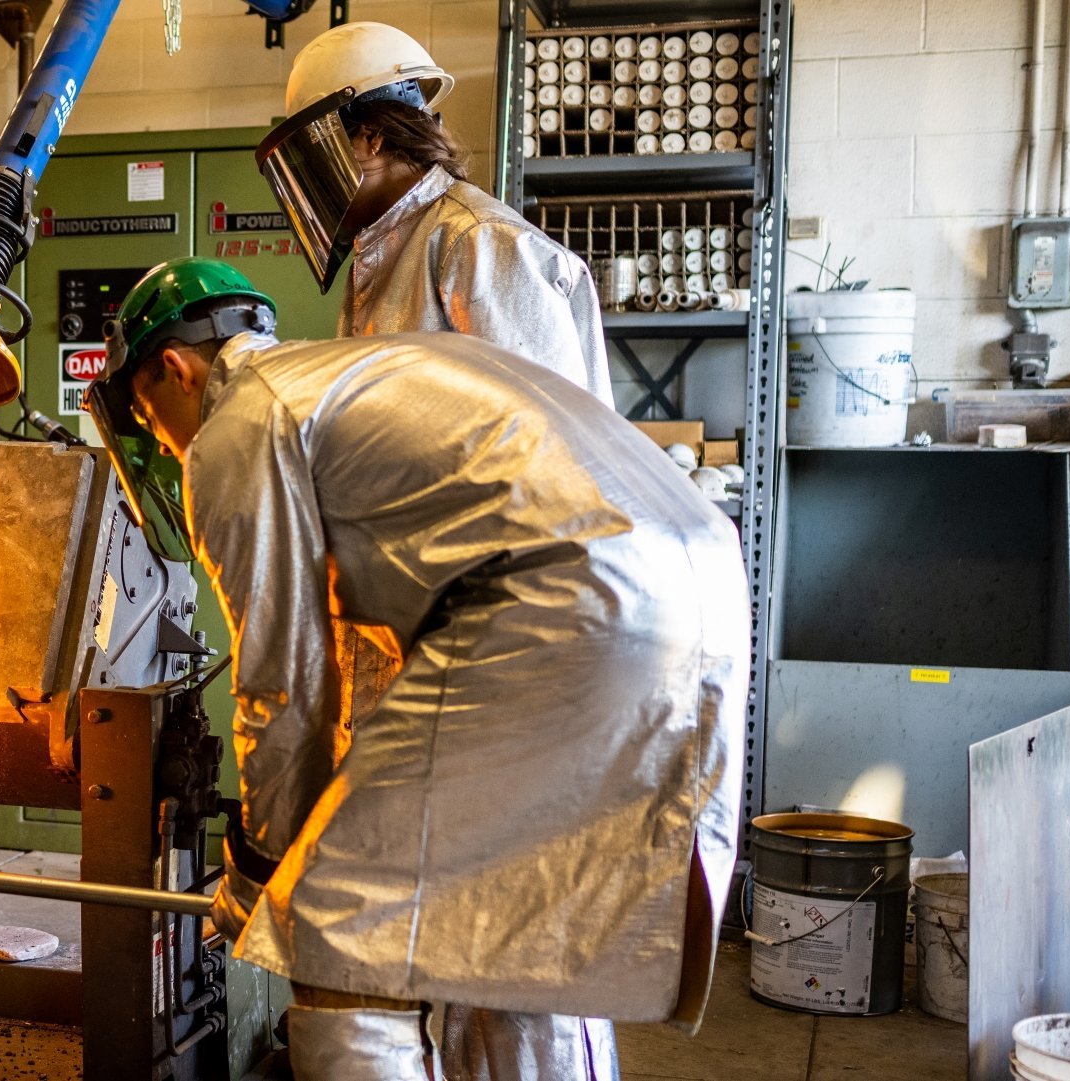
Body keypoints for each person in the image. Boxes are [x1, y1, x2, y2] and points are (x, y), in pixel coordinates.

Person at [84, 259, 747, 1081]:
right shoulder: (329, 378)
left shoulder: (237, 425)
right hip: (696, 581)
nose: (160, 441)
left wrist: (259, 867)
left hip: (562, 597)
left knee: (334, 931)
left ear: (175, 372)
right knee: (517, 918)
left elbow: (285, 682)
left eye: (151, 420)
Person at [257, 22, 614, 406]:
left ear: (372, 137)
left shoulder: (478, 240)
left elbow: (536, 433)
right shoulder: (387, 244)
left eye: (318, 157)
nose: (315, 178)